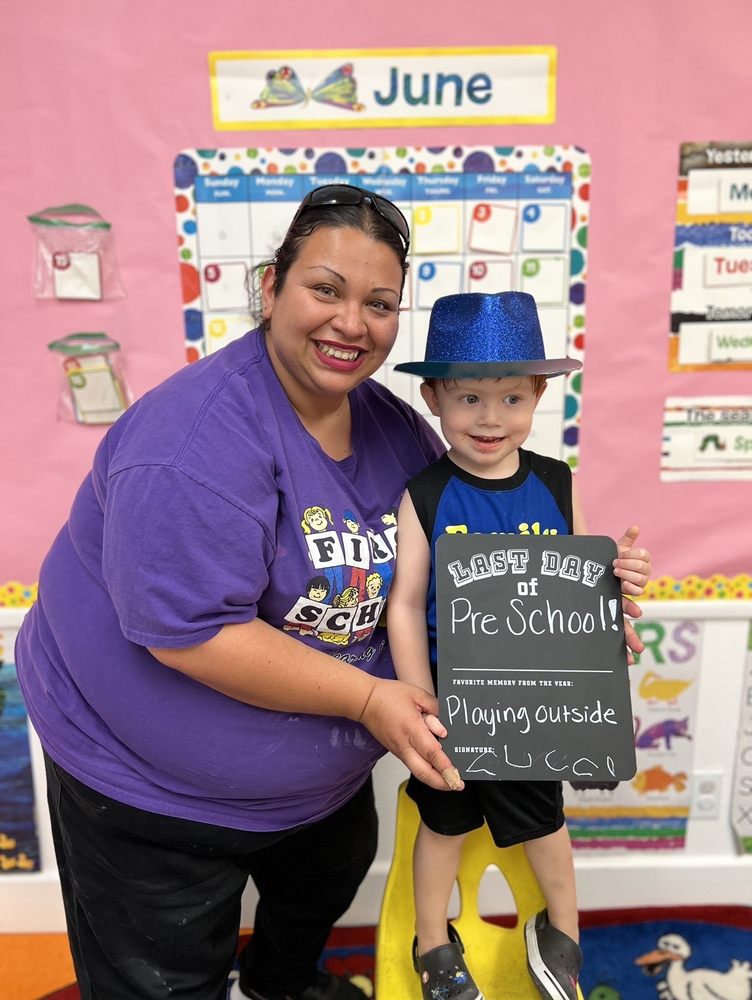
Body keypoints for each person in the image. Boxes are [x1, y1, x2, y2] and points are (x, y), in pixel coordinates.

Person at [14, 184, 466, 1000]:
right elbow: (189, 633)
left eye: (380, 303)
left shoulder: (398, 430)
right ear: (271, 287)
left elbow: (450, 564)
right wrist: (369, 701)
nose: (352, 323)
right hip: (143, 789)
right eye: (325, 288)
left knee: (318, 892)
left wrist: (571, 611)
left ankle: (271, 986)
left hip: (318, 781)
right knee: (160, 976)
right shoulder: (189, 445)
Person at [386, 291, 651, 1000]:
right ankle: (433, 939)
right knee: (442, 821)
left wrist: (621, 591)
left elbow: (585, 594)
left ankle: (563, 932)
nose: (489, 418)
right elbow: (406, 604)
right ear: (433, 396)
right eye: (469, 397)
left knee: (545, 819)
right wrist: (418, 699)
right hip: (453, 704)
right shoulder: (428, 494)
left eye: (510, 398)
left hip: (540, 704)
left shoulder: (558, 485)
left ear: (538, 395)